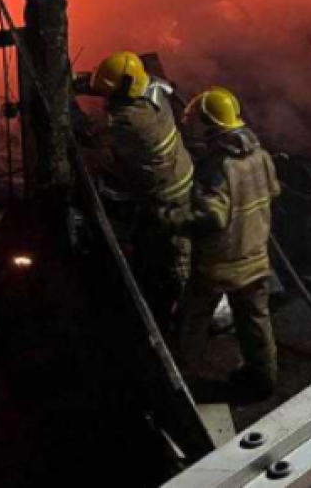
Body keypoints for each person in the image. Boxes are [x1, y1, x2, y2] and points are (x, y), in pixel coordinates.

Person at [174, 87, 282, 400]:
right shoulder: (261, 156)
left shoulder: (216, 166)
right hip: (256, 256)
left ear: (210, 124)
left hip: (219, 263)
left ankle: (179, 383)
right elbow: (273, 191)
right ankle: (263, 381)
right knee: (256, 322)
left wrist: (175, 219)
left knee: (192, 322)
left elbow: (212, 217)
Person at [88, 52, 195, 335]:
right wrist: (82, 81)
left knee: (178, 256)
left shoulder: (129, 121)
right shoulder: (154, 86)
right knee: (157, 243)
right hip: (182, 172)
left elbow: (95, 137)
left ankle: (189, 318)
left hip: (168, 194)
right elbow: (118, 87)